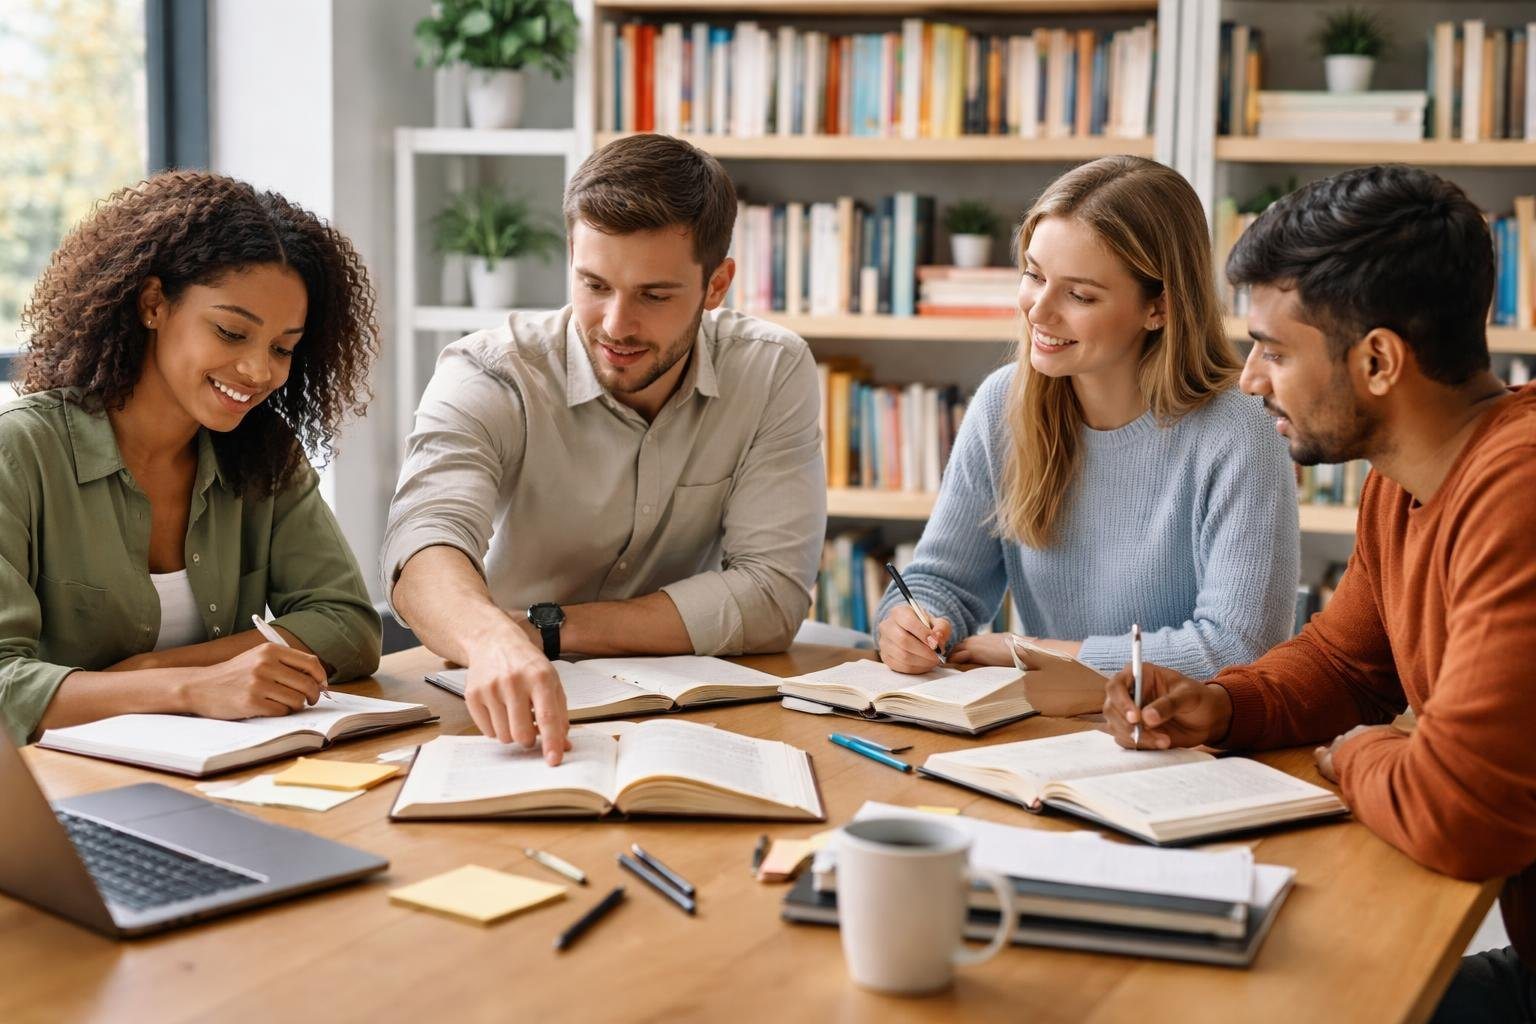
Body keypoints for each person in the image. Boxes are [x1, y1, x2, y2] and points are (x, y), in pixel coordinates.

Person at [1102, 164, 1536, 1022]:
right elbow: (1345, 661)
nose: (1250, 380)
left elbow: (1460, 813)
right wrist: (1220, 703)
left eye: (1274, 348)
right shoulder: (1402, 480)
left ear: (1378, 360)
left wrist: (1361, 754)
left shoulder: (1518, 492)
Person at [383, 134, 825, 765]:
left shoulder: (773, 371)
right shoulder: (489, 372)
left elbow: (772, 595)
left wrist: (540, 630)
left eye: (655, 295)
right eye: (594, 284)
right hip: (499, 709)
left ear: (716, 284)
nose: (616, 325)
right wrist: (490, 640)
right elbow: (420, 543)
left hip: (695, 721)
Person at [876, 155, 1298, 684]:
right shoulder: (1002, 405)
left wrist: (1031, 652)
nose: (1039, 310)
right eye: (1033, 275)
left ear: (1159, 308)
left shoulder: (1240, 429)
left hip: (1186, 744)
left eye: (1079, 294)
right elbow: (941, 584)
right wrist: (907, 625)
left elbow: (1237, 649)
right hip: (1048, 732)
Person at [0, 171, 383, 746]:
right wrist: (190, 687)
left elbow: (348, 625)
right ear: (154, 304)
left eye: (283, 348)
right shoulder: (21, 453)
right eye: (232, 333)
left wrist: (169, 671)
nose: (259, 371)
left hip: (216, 775)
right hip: (56, 796)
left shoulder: (264, 453)